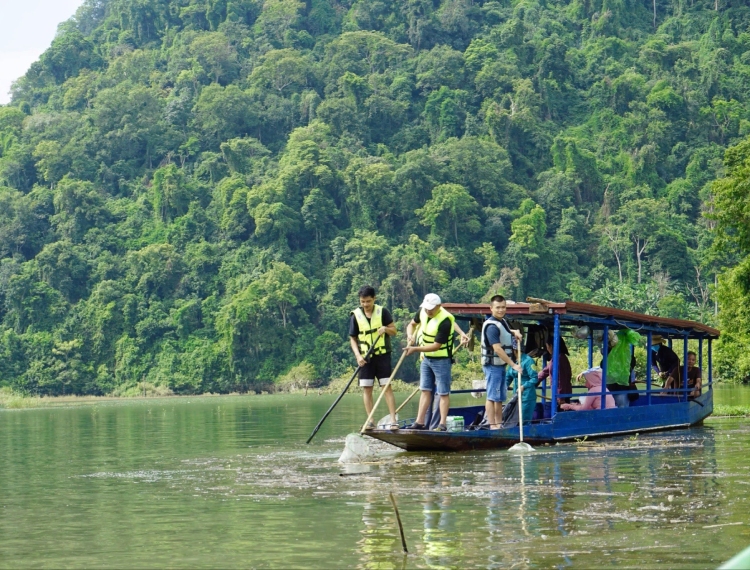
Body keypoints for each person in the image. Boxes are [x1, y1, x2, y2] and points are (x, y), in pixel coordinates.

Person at [404, 294, 469, 431]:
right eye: (426, 308)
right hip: (425, 359)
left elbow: (436, 346)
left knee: (443, 392)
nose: (428, 311)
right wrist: (410, 335)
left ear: (439, 307)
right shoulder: (422, 311)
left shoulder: (445, 321)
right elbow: (412, 324)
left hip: (441, 360)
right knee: (425, 390)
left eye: (431, 309)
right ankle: (419, 422)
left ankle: (442, 424)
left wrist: (415, 349)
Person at [349, 285, 398, 430]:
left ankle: (393, 420)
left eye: (368, 301)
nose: (365, 305)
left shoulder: (382, 312)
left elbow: (394, 331)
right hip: (365, 358)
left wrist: (386, 329)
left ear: (374, 299)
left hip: (382, 356)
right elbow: (353, 339)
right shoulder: (355, 316)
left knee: (386, 387)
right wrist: (358, 356)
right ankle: (370, 420)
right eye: (363, 302)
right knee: (367, 389)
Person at [480, 295, 522, 429]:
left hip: (500, 365)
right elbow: (497, 349)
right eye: (497, 308)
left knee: (499, 397)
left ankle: (499, 424)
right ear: (491, 308)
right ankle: (493, 425)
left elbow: (505, 331)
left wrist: (514, 331)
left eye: (503, 307)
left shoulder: (502, 321)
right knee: (493, 396)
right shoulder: (491, 326)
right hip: (492, 366)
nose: (501, 310)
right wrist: (513, 365)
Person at [504, 347, 538, 425]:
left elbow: (534, 378)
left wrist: (523, 386)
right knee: (515, 420)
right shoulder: (513, 362)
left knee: (524, 421)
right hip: (516, 396)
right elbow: (508, 377)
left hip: (527, 397)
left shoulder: (528, 361)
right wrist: (503, 387)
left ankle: (527, 436)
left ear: (515, 350)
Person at [537, 335, 572, 406]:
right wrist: (534, 381)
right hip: (561, 394)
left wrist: (560, 397)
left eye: (547, 346)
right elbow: (545, 371)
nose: (547, 349)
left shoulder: (559, 359)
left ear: (551, 346)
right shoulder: (556, 358)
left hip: (562, 395)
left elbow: (561, 379)